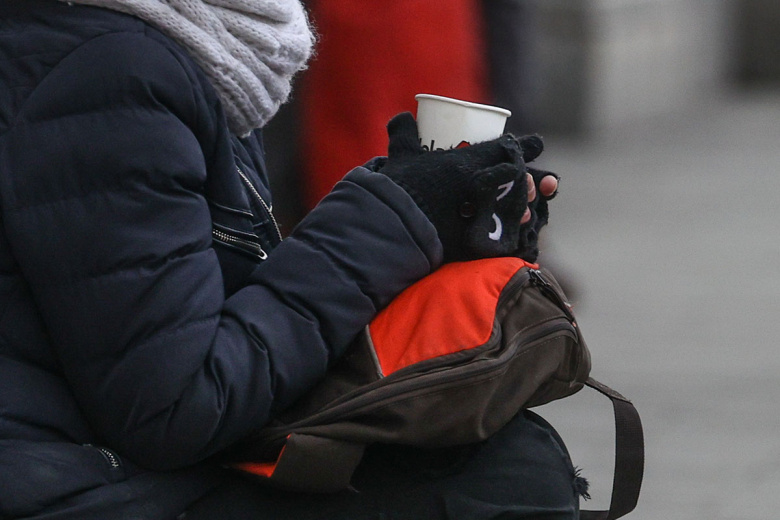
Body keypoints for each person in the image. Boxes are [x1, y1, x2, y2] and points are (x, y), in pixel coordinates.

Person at [0, 1, 579, 519]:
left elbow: (209, 319)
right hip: (74, 484)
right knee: (505, 481)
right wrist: (393, 219)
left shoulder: (186, 47)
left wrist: (441, 217)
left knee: (498, 457)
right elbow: (177, 409)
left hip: (116, 459)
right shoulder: (110, 68)